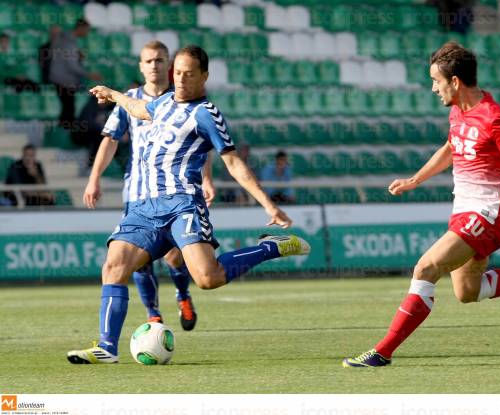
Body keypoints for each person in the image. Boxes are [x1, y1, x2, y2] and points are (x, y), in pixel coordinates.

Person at [343, 42, 500, 368]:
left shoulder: (497, 120)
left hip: (488, 215)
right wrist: (415, 180)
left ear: (455, 81)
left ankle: (382, 352)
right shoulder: (459, 111)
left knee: (425, 268)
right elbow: (451, 147)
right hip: (463, 212)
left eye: (436, 80)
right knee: (468, 292)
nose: (432, 88)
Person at [67, 45, 310, 364]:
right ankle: (106, 347)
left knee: (209, 279)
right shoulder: (163, 101)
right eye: (177, 73)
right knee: (113, 267)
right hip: (142, 208)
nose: (181, 80)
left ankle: (270, 248)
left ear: (204, 76)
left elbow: (234, 162)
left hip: (183, 206)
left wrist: (268, 204)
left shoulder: (206, 113)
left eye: (189, 74)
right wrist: (113, 94)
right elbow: (139, 108)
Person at [83, 41, 207, 331]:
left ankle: (183, 294)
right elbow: (110, 139)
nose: (154, 65)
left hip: (175, 192)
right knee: (138, 260)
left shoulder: (184, 100)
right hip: (138, 192)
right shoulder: (130, 100)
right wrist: (94, 178)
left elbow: (200, 143)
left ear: (169, 65)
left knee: (176, 254)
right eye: (149, 61)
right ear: (141, 66)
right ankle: (153, 314)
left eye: (160, 60)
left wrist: (208, 179)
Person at [49, 19, 101, 131]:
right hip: (64, 80)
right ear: (80, 28)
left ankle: (63, 133)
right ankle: (65, 135)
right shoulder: (69, 43)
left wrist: (77, 56)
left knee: (67, 107)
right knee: (68, 108)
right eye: (86, 30)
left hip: (58, 77)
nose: (87, 33)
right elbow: (72, 66)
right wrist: (89, 74)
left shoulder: (63, 38)